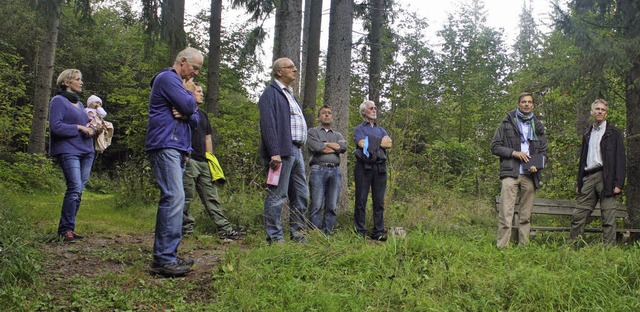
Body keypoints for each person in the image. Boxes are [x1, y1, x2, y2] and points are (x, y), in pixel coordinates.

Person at [145, 47, 202, 277]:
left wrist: (188, 109)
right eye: (194, 68)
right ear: (182, 61)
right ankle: (163, 260)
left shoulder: (179, 84)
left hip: (178, 147)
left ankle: (168, 255)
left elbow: (195, 119)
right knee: (174, 197)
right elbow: (191, 107)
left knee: (175, 199)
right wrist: (189, 97)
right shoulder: (168, 78)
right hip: (165, 144)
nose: (196, 73)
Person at [181, 84, 243, 240]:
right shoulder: (183, 112)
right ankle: (185, 230)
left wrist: (210, 157)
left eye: (203, 91)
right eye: (199, 91)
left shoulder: (203, 114)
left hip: (203, 162)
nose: (202, 94)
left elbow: (207, 136)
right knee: (186, 197)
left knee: (211, 196)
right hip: (188, 159)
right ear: (189, 93)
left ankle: (225, 229)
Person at [258, 57, 309, 243]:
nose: (295, 70)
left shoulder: (290, 94)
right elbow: (268, 125)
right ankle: (274, 238)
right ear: (279, 71)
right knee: (277, 195)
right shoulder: (270, 94)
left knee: (301, 195)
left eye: (295, 67)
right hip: (281, 152)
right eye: (290, 67)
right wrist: (274, 152)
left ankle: (297, 235)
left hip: (296, 152)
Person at [491, 92, 547, 248]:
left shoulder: (538, 125)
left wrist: (537, 164)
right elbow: (495, 146)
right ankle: (502, 246)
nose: (527, 104)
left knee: (525, 214)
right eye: (523, 102)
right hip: (511, 172)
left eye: (529, 102)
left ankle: (524, 246)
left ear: (533, 105)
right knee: (505, 212)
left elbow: (543, 151)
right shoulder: (506, 123)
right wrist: (513, 153)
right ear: (518, 104)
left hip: (530, 174)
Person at [49, 69, 96, 243]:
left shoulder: (81, 105)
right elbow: (56, 127)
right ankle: (65, 230)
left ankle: (69, 228)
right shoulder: (58, 101)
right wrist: (78, 127)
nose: (81, 82)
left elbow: (85, 126)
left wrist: (92, 128)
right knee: (74, 187)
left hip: (86, 151)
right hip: (69, 151)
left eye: (81, 79)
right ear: (66, 83)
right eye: (77, 79)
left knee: (79, 190)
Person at [569, 99, 626, 245]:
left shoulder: (613, 133)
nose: (599, 112)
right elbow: (582, 160)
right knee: (579, 215)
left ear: (606, 113)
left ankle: (609, 251)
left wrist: (619, 183)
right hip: (588, 177)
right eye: (597, 109)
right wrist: (579, 182)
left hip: (607, 178)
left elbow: (620, 159)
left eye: (602, 110)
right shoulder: (587, 133)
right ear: (592, 112)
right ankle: (573, 247)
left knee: (608, 218)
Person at [353, 100, 392, 241]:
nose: (374, 110)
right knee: (361, 200)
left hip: (380, 168)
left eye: (375, 108)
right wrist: (378, 143)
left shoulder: (381, 130)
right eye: (371, 108)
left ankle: (379, 232)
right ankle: (360, 232)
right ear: (364, 111)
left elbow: (389, 143)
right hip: (363, 167)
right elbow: (362, 143)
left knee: (379, 201)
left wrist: (371, 142)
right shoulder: (359, 129)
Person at [307, 105, 347, 235]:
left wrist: (325, 144)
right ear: (319, 117)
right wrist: (335, 148)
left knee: (332, 206)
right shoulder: (313, 132)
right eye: (323, 113)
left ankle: (327, 235)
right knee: (316, 205)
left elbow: (344, 147)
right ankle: (315, 235)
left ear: (332, 117)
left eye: (329, 113)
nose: (327, 115)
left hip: (335, 171)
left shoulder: (338, 134)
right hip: (318, 170)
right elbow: (317, 148)